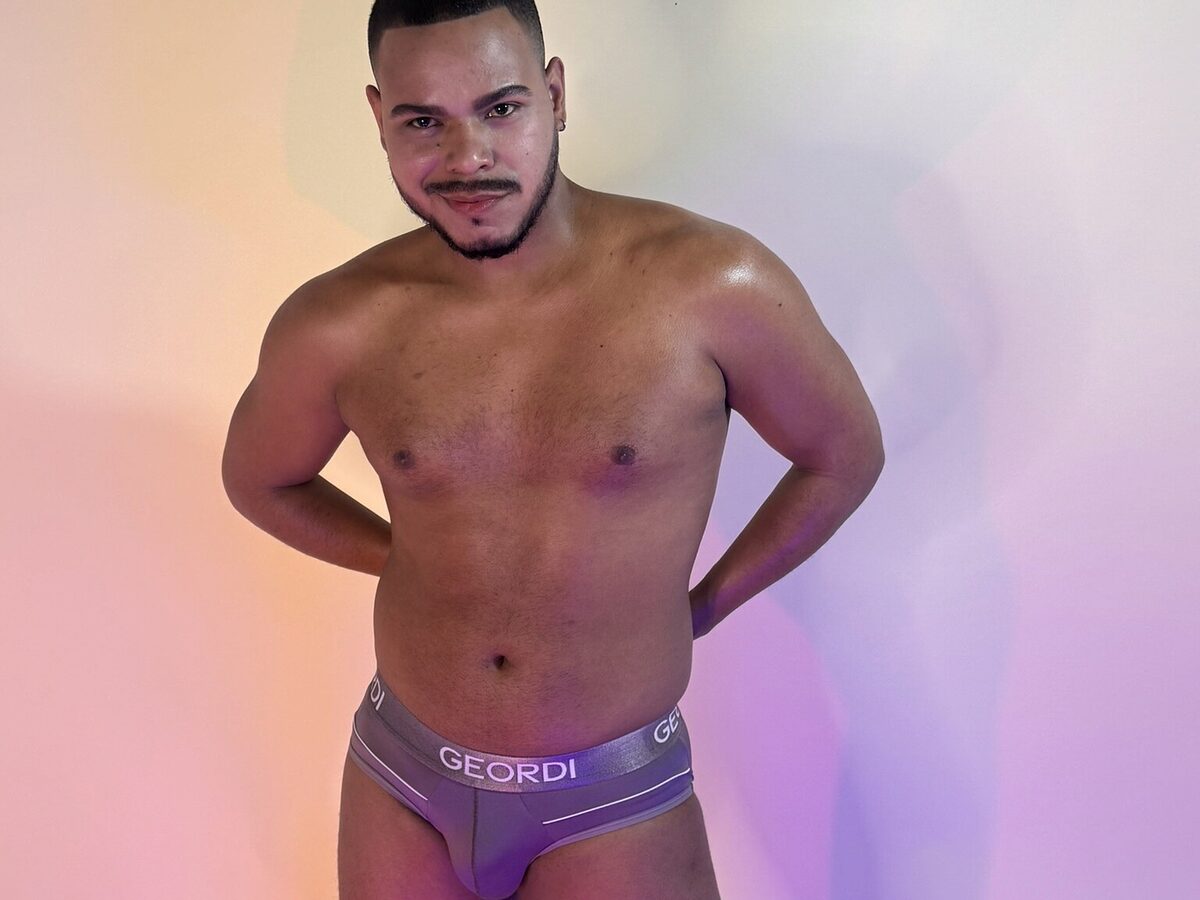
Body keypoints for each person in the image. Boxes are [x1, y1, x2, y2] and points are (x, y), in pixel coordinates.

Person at [221, 1, 885, 897]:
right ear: (379, 117)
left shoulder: (710, 285)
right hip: (402, 775)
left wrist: (702, 605)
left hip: (610, 799)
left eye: (500, 108)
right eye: (423, 122)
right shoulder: (339, 321)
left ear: (556, 94)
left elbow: (842, 453)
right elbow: (261, 479)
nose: (468, 158)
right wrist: (406, 557)